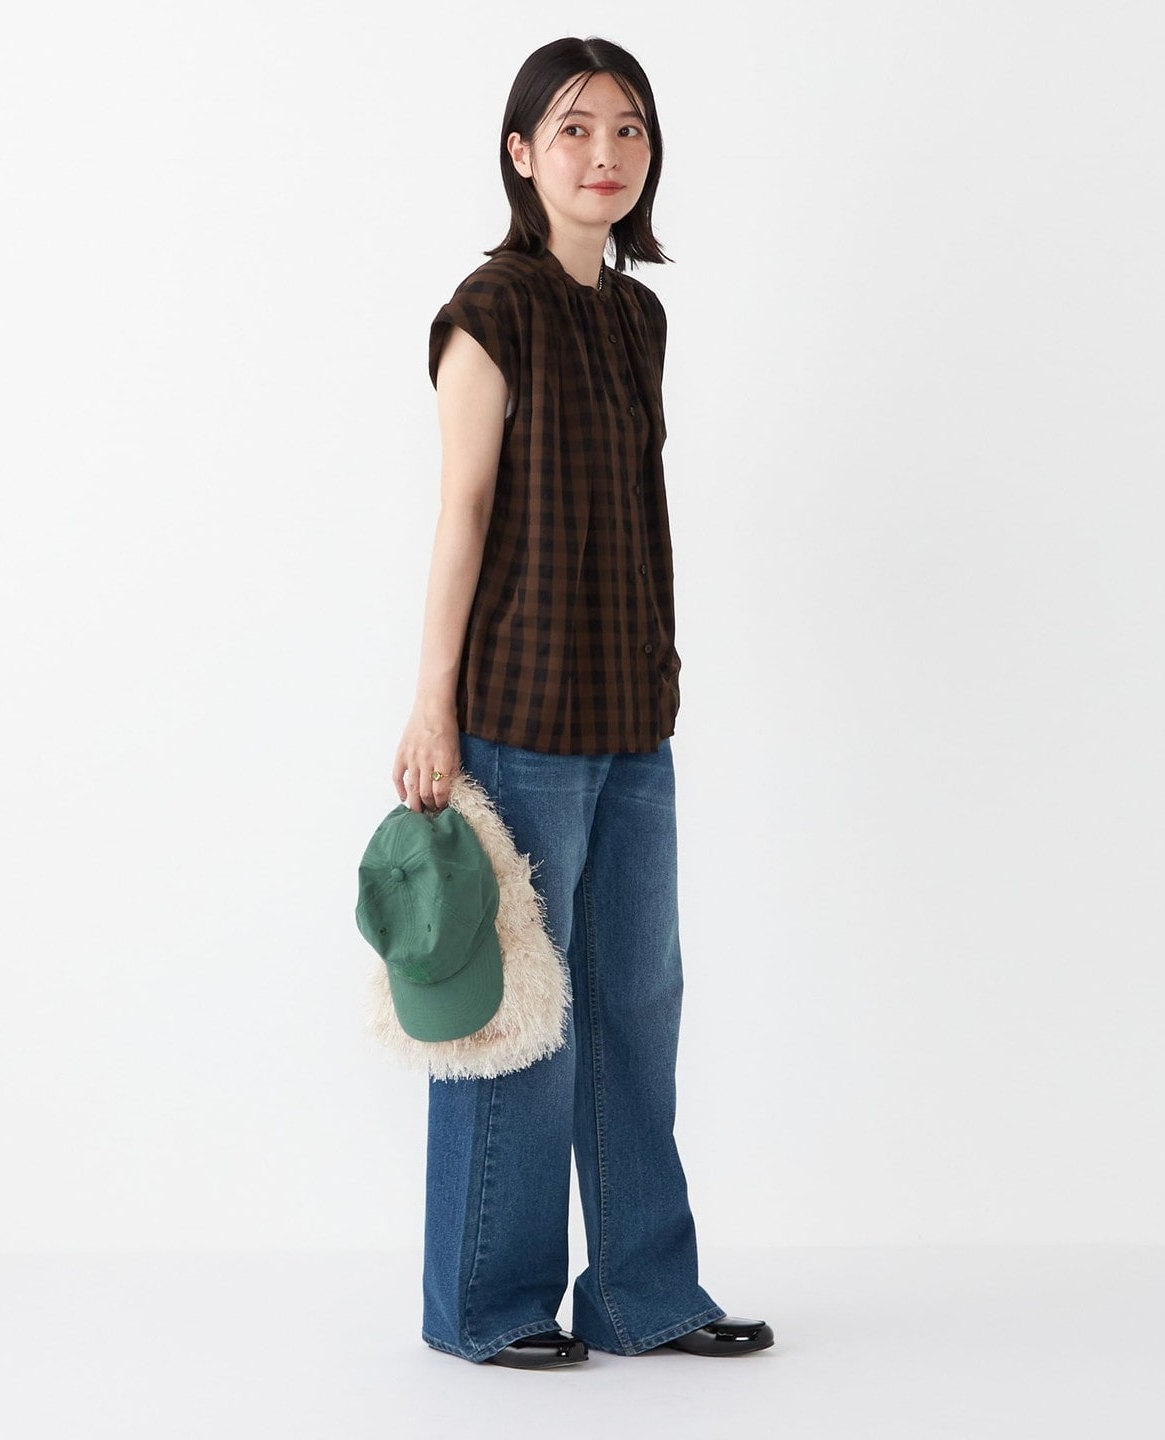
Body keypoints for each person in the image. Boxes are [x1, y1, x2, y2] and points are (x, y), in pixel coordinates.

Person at [391, 35, 774, 1369]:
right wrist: (431, 707)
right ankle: (487, 1307)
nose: (604, 153)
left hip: (630, 715)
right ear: (521, 153)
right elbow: (464, 515)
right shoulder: (489, 311)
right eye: (573, 128)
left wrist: (664, 677)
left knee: (637, 1008)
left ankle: (641, 1296)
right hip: (518, 716)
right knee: (516, 1016)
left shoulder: (635, 316)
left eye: (628, 128)